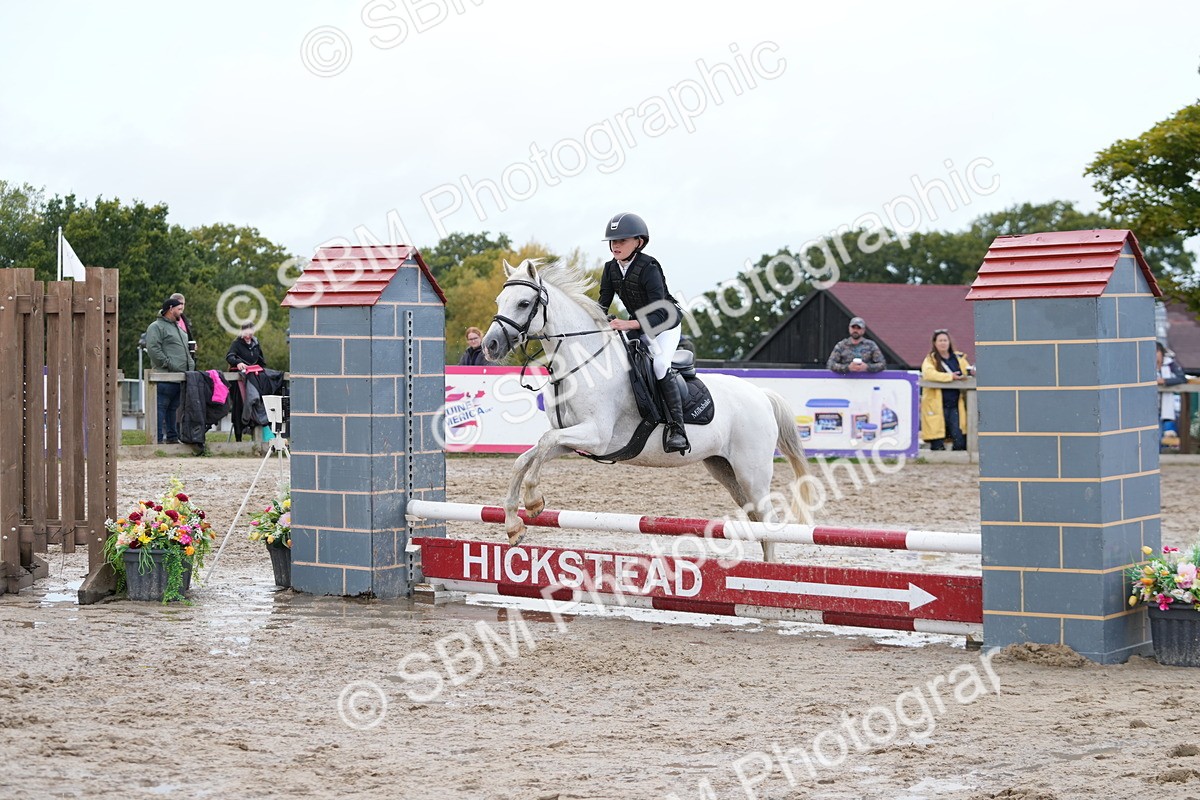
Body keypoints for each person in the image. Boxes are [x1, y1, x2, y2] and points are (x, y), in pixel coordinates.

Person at [596, 211, 689, 454]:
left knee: (660, 365)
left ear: (639, 242)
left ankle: (678, 430)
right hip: (638, 324)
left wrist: (627, 325)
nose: (615, 246)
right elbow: (602, 304)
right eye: (613, 241)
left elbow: (659, 312)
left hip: (665, 324)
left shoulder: (649, 267)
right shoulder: (610, 268)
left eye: (622, 241)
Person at [145, 297, 195, 444]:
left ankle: (172, 437)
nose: (181, 312)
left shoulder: (178, 328)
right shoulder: (156, 327)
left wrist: (190, 365)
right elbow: (153, 348)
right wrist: (168, 363)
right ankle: (157, 439)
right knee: (160, 408)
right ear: (171, 309)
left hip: (179, 377)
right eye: (179, 309)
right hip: (165, 376)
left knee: (173, 408)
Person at [920, 328, 972, 451]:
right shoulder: (930, 360)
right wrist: (950, 377)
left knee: (959, 437)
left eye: (945, 340)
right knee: (937, 439)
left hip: (955, 403)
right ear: (935, 343)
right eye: (940, 340)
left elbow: (967, 372)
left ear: (949, 342)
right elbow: (929, 374)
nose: (943, 343)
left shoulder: (959, 359)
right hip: (936, 403)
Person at [226, 323, 269, 442]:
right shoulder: (236, 344)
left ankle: (257, 436)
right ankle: (238, 438)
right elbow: (229, 357)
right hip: (239, 380)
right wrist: (238, 362)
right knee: (239, 407)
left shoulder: (255, 344)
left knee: (256, 404)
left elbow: (261, 361)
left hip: (253, 379)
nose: (248, 335)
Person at [1157, 342, 1187, 449]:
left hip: (1167, 407)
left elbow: (1182, 378)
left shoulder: (1170, 364)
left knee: (1165, 435)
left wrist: (1165, 381)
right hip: (1150, 406)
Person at [170, 292, 197, 358]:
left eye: (183, 304)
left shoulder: (184, 320)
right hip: (172, 357)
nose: (181, 307)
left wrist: (192, 346)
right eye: (179, 304)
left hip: (185, 357)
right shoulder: (166, 320)